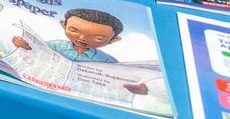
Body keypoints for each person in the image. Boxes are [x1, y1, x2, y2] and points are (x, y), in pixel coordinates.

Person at [10, 8, 148, 95]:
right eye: (73, 30)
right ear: (63, 25)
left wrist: (135, 88)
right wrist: (22, 45)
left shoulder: (109, 62)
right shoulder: (54, 45)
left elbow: (116, 84)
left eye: (98, 38)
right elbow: (35, 54)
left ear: (113, 40)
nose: (82, 38)